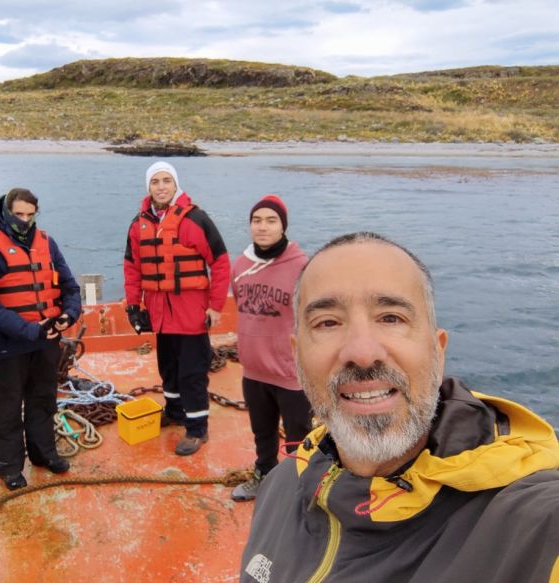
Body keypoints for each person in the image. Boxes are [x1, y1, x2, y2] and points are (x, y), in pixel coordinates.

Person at [240, 231, 559, 583]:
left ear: (438, 351)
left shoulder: (532, 526)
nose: (362, 353)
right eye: (327, 322)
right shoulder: (280, 487)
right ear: (297, 356)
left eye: (391, 318)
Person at [0, 188, 81, 490]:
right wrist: (30, 329)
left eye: (30, 215)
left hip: (46, 341)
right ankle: (9, 467)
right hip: (11, 345)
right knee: (8, 407)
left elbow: (70, 287)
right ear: (6, 212)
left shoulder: (47, 243)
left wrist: (68, 316)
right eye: (19, 215)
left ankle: (44, 453)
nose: (25, 220)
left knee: (43, 400)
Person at [123, 161, 230, 455]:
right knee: (167, 367)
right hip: (159, 314)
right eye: (155, 182)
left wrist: (216, 306)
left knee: (192, 372)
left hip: (191, 313)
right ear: (148, 187)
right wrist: (133, 305)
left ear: (175, 184)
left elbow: (219, 262)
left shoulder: (196, 219)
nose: (161, 187)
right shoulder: (138, 224)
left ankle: (197, 429)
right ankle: (174, 411)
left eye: (166, 181)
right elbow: (132, 267)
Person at [230, 195, 313, 502]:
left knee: (298, 438)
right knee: (262, 434)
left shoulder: (301, 267)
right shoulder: (240, 265)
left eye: (270, 220)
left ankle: (299, 491)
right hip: (253, 371)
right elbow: (240, 304)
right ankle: (264, 476)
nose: (262, 227)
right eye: (256, 220)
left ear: (283, 226)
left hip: (289, 373)